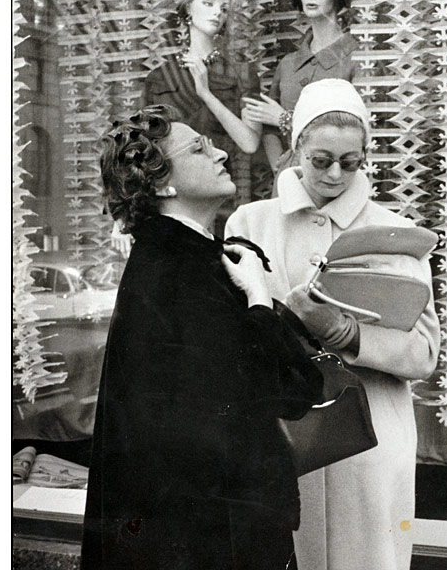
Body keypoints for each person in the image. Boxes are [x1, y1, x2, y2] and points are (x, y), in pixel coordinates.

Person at [81, 105, 324, 570]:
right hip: (214, 539)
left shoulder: (175, 257)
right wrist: (258, 296)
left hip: (198, 532)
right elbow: (287, 391)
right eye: (198, 148)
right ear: (160, 184)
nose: (221, 154)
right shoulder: (182, 268)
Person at [226, 79, 441, 570]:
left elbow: (425, 353)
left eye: (351, 162)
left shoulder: (395, 233)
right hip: (283, 434)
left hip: (370, 439)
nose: (335, 174)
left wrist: (346, 332)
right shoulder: (250, 223)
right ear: (296, 147)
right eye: (321, 160)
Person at [112, 0, 263, 254]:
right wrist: (122, 213)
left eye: (224, 8)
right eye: (208, 3)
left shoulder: (242, 73)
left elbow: (250, 143)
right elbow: (139, 148)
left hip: (225, 194)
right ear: (188, 11)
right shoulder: (161, 78)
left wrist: (206, 93)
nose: (217, 12)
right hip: (174, 198)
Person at [240, 0, 357, 181]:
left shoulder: (355, 59)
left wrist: (284, 119)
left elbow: (352, 132)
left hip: (337, 180)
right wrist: (283, 170)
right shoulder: (288, 63)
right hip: (290, 183)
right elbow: (269, 129)